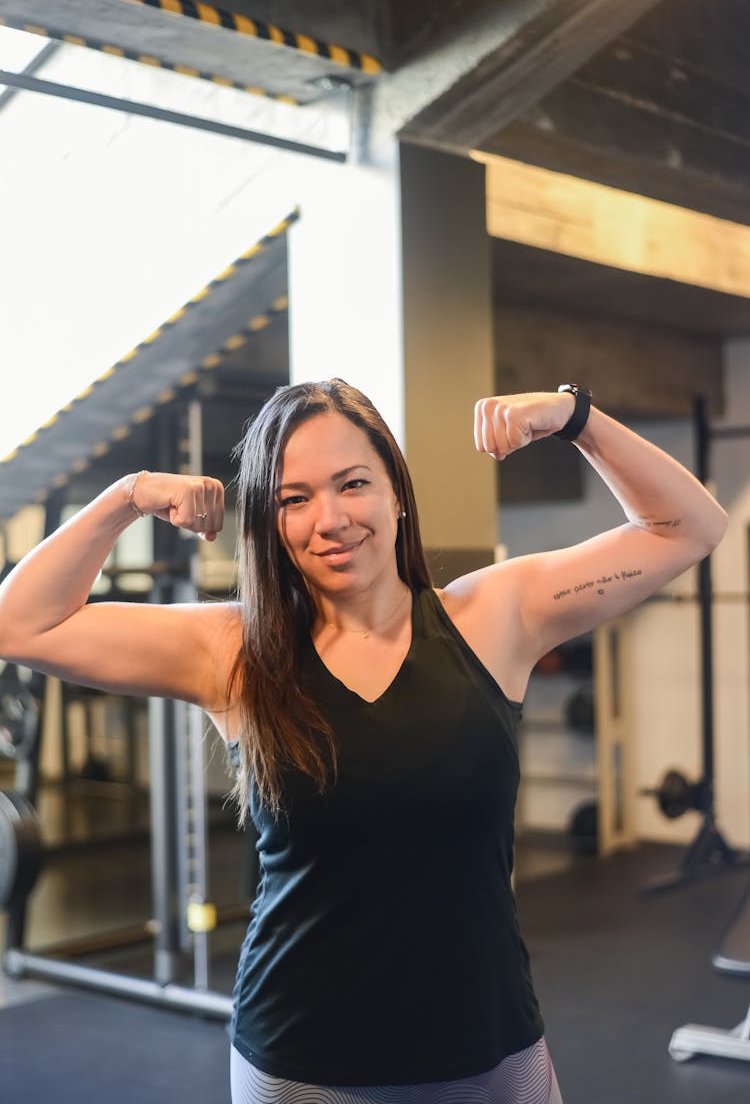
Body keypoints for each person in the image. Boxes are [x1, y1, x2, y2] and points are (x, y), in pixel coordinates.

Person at [0, 380, 727, 1104]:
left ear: (396, 493)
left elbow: (689, 526)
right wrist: (126, 495)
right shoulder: (236, 651)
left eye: (353, 484)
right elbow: (20, 624)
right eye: (295, 498)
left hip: (488, 1050)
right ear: (270, 520)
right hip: (303, 1067)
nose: (331, 519)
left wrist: (577, 416)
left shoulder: (498, 614)